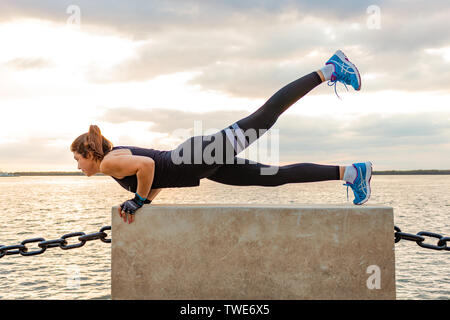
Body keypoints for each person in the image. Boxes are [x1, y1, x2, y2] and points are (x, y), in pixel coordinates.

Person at [71, 50, 372, 224]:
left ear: (89, 153)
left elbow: (148, 168)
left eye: (77, 159)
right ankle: (351, 173)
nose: (77, 166)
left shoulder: (108, 163)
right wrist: (143, 202)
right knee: (274, 176)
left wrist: (136, 200)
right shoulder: (114, 158)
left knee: (265, 116)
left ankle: (330, 69)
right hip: (200, 162)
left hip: (199, 157)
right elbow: (156, 175)